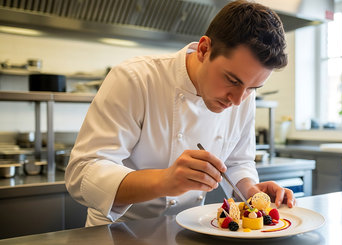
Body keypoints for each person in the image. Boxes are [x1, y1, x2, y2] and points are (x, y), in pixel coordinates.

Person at [65, 0, 294, 227]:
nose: (237, 100)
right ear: (204, 49)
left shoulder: (243, 93)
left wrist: (250, 192)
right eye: (231, 80)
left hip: (187, 231)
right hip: (118, 232)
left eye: (253, 88)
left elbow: (236, 161)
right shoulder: (136, 79)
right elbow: (82, 174)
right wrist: (164, 181)